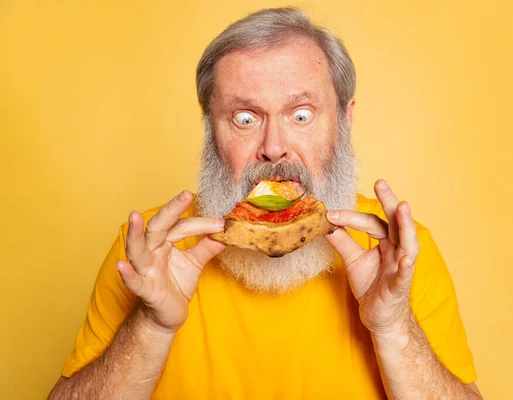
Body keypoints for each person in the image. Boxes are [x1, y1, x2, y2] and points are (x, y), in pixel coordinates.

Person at [48, 7, 481, 399]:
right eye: (245, 118)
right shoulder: (149, 249)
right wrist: (150, 325)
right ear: (211, 131)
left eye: (301, 115)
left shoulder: (398, 252)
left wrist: (392, 327)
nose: (274, 148)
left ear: (344, 121)